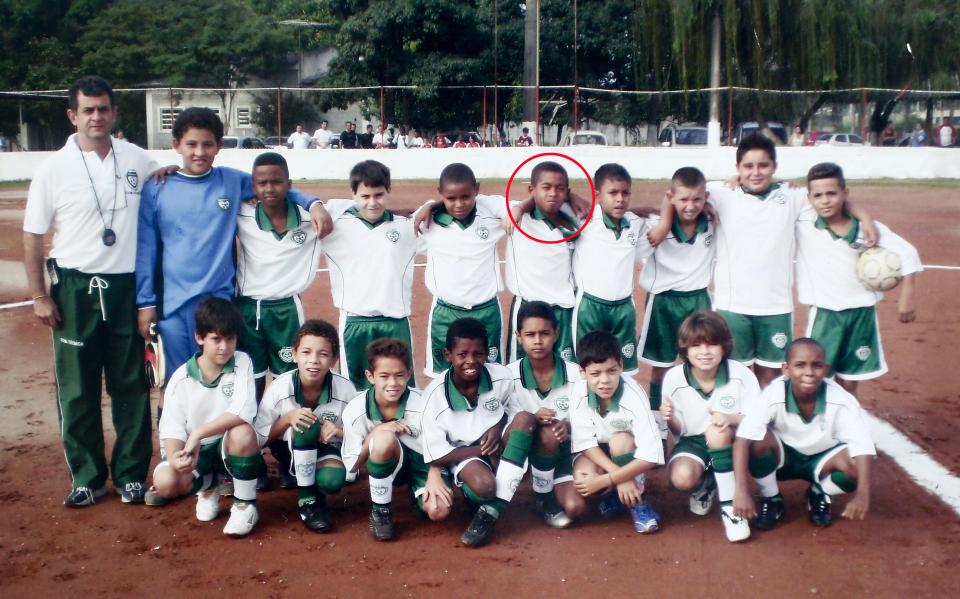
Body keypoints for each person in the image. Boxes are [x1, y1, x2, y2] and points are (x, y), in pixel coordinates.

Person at [23, 75, 158, 507]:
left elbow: (171, 183)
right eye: (88, 110)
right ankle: (86, 476)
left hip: (126, 288)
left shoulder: (138, 158)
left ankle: (132, 473)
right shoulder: (53, 168)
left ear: (114, 112)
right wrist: (40, 296)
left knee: (131, 384)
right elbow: (33, 235)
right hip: (75, 288)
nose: (96, 116)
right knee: (78, 388)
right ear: (72, 115)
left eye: (103, 108)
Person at [136, 107, 329, 385]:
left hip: (221, 302)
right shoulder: (157, 187)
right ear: (176, 144)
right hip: (175, 305)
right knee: (176, 380)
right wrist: (145, 303)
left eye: (207, 144)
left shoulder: (231, 181)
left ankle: (221, 430)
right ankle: (173, 429)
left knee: (221, 379)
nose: (199, 152)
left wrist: (313, 203)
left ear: (218, 146)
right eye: (191, 144)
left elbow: (274, 186)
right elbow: (146, 250)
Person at [693, 134, 876, 388]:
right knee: (737, 375)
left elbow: (832, 197)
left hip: (775, 307)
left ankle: (767, 423)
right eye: (748, 166)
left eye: (763, 165)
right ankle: (739, 425)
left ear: (775, 167)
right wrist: (665, 224)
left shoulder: (792, 195)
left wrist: (864, 217)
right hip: (732, 306)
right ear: (737, 169)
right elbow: (676, 194)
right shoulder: (720, 192)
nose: (755, 172)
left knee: (771, 377)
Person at [795, 162, 921, 397]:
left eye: (832, 193)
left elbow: (908, 253)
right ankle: (816, 427)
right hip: (825, 314)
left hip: (862, 314)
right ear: (809, 198)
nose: (825, 200)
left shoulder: (868, 230)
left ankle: (845, 427)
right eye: (818, 195)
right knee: (816, 377)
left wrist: (907, 296)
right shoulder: (804, 222)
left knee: (851, 381)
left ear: (845, 193)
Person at [733, 338, 876, 531]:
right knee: (757, 441)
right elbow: (742, 439)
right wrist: (741, 490)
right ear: (786, 369)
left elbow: (863, 445)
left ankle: (820, 492)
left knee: (857, 465)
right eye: (800, 365)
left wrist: (863, 494)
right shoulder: (774, 394)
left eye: (816, 366)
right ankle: (771, 497)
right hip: (784, 458)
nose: (809, 372)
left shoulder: (841, 399)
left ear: (825, 369)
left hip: (823, 458)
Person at [420, 318, 536, 547]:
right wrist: (480, 449)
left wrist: (495, 427)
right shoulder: (434, 396)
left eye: (478, 353)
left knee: (525, 419)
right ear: (448, 355)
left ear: (487, 353)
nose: (471, 361)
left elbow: (511, 411)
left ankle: (491, 511)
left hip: (498, 444)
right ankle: (480, 499)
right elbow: (436, 455)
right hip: (465, 454)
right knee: (485, 486)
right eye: (462, 354)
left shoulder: (501, 376)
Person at [151, 298, 261, 536]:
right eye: (216, 339)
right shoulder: (180, 379)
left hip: (227, 448)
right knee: (165, 481)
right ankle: (209, 485)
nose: (224, 347)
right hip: (197, 452)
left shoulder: (242, 362)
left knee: (242, 432)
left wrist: (199, 434)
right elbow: (172, 428)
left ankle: (245, 504)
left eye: (230, 339)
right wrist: (177, 457)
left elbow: (244, 410)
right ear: (199, 338)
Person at [659, 311, 760, 542]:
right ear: (685, 349)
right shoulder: (674, 378)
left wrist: (730, 418)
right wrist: (670, 417)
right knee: (682, 478)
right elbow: (679, 432)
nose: (704, 352)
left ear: (724, 346)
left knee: (717, 432)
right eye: (696, 345)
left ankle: (730, 508)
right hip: (694, 441)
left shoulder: (741, 374)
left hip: (734, 439)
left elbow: (757, 417)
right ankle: (709, 481)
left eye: (712, 344)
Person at [320, 160, 419, 389]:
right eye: (365, 196)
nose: (372, 202)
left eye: (379, 195)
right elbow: (308, 208)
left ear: (388, 191)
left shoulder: (407, 226)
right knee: (354, 388)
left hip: (395, 321)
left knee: (401, 385)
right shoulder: (334, 225)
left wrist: (429, 206)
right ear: (353, 194)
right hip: (355, 321)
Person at [253, 320, 355, 532]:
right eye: (306, 352)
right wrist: (287, 419)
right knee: (306, 423)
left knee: (332, 481)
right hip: (285, 448)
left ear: (335, 359)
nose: (314, 361)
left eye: (323, 354)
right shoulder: (280, 388)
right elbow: (259, 438)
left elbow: (361, 434)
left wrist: (340, 431)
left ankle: (304, 477)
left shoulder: (345, 389)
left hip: (326, 448)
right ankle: (308, 500)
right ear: (295, 354)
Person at [341, 338, 444, 541]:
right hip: (388, 457)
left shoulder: (424, 403)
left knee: (436, 511)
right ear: (370, 376)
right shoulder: (355, 410)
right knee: (383, 440)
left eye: (399, 375)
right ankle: (381, 511)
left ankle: (417, 493)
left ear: (409, 374)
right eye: (384, 376)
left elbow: (440, 445)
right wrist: (376, 432)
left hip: (423, 463)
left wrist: (434, 473)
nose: (392, 383)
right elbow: (352, 465)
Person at [415, 163, 510, 377]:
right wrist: (431, 205)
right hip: (445, 312)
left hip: (486, 311)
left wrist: (435, 202)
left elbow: (523, 207)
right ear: (441, 194)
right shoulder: (428, 222)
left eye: (466, 196)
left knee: (491, 373)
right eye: (450, 199)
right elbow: (394, 217)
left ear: (477, 189)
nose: (459, 204)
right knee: (442, 377)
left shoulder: (491, 214)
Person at [637, 167, 715, 421]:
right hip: (664, 302)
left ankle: (699, 417)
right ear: (671, 198)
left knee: (701, 362)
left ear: (706, 198)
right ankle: (657, 420)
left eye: (697, 199)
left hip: (699, 300)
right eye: (683, 199)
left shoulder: (712, 223)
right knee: (660, 367)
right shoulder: (658, 227)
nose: (690, 206)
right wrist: (664, 221)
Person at [569, 330, 664, 533]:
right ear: (582, 372)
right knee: (583, 477)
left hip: (626, 450)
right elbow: (585, 443)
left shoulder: (634, 397)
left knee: (621, 442)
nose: (604, 380)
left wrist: (608, 479)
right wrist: (620, 478)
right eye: (595, 373)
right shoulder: (578, 391)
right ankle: (615, 495)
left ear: (621, 365)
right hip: (597, 452)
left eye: (611, 371)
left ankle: (638, 503)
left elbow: (650, 456)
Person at [572, 163, 655, 375]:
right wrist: (571, 195)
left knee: (624, 367)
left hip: (624, 308)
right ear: (598, 195)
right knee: (586, 366)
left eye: (625, 193)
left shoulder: (635, 223)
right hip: (590, 307)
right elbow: (553, 198)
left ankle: (625, 406)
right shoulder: (585, 220)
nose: (620, 199)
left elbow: (661, 223)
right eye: (613, 193)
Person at [507, 301, 584, 528]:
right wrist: (531, 416)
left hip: (560, 451)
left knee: (575, 508)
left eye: (545, 333)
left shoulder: (574, 373)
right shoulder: (507, 375)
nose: (538, 341)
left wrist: (568, 426)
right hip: (521, 450)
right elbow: (502, 419)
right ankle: (542, 496)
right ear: (518, 336)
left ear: (556, 334)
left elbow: (587, 415)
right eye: (530, 334)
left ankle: (546, 488)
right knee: (537, 428)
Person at [504, 161, 579, 362]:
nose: (553, 193)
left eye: (560, 189)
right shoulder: (516, 215)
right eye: (546, 188)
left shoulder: (574, 219)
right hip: (527, 307)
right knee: (518, 370)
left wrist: (573, 198)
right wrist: (521, 206)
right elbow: (475, 202)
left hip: (562, 309)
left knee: (565, 370)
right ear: (532, 190)